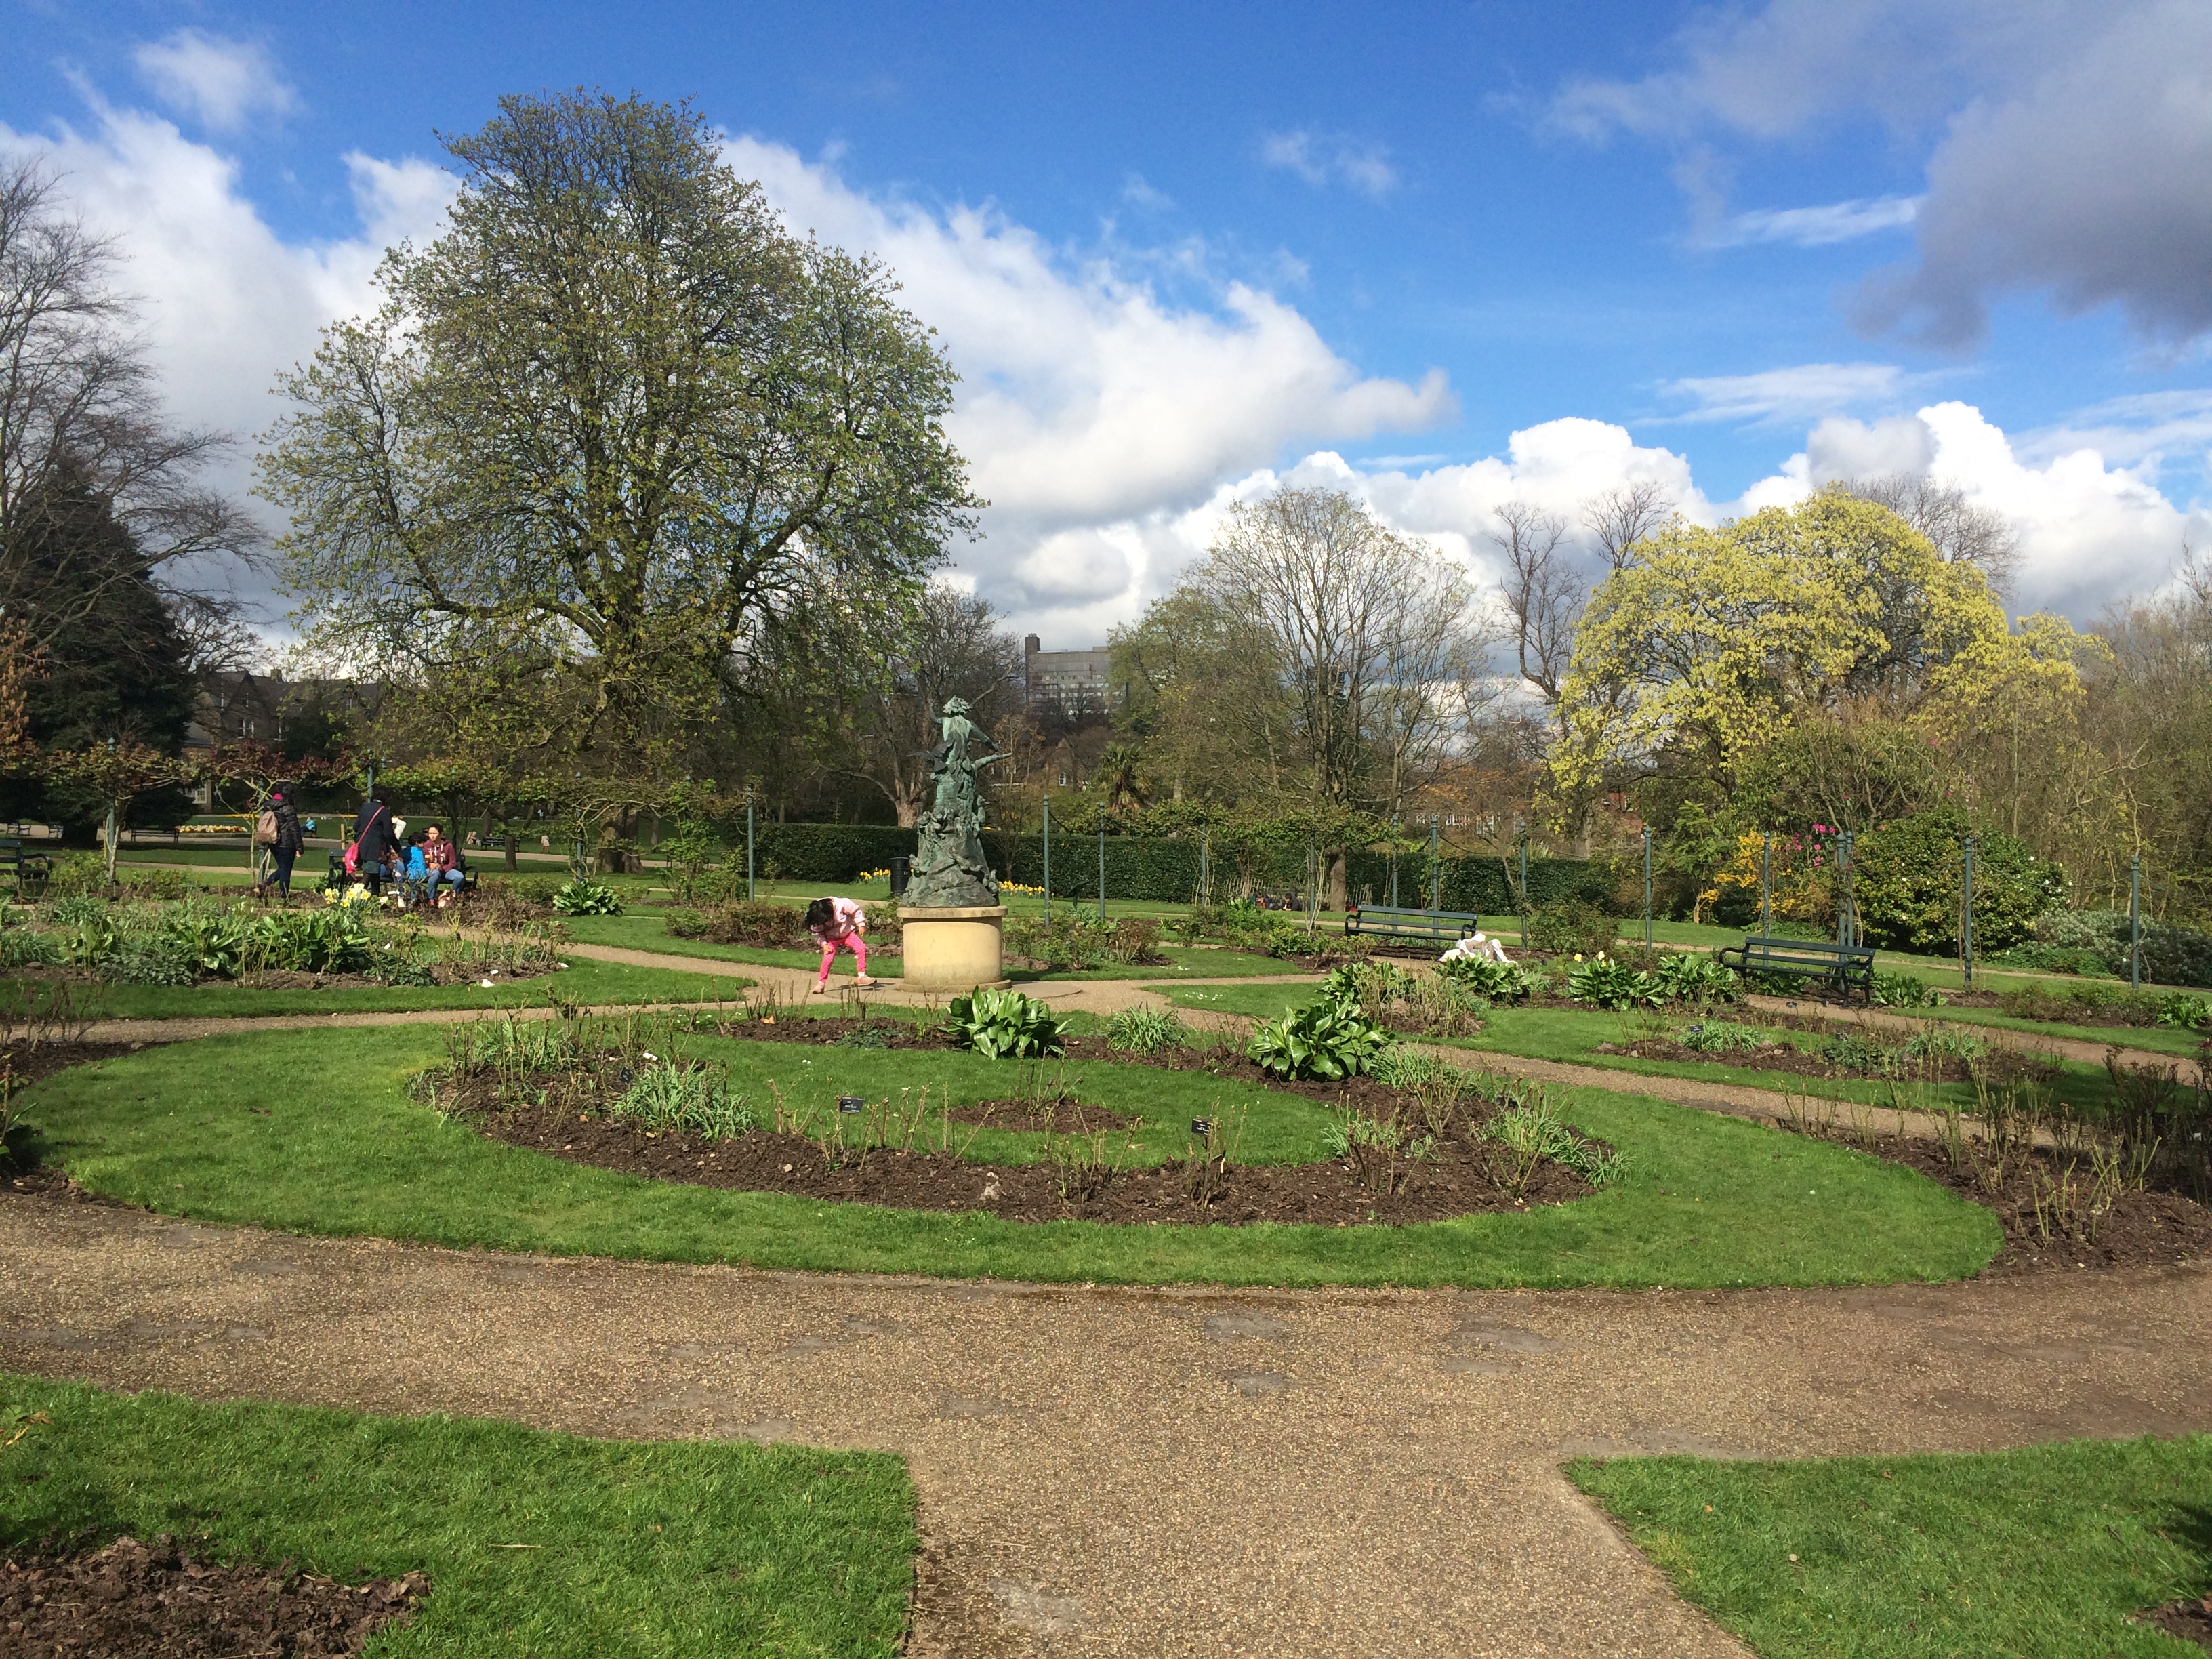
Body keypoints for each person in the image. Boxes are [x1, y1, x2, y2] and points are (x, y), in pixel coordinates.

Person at [805, 896, 878, 994]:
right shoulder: (817, 916)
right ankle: (821, 983)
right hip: (831, 938)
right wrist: (824, 944)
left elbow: (856, 912)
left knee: (861, 948)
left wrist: (861, 924)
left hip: (847, 933)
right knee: (828, 959)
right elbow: (818, 933)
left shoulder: (842, 904)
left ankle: (862, 976)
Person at [255, 789, 305, 903]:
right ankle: (284, 898)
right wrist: (299, 848)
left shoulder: (269, 807)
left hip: (273, 842)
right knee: (286, 871)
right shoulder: (288, 809)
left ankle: (264, 886)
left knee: (283, 869)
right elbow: (295, 830)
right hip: (287, 844)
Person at [349, 794, 398, 893]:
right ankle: (355, 898)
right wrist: (398, 848)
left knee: (374, 873)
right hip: (376, 848)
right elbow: (388, 833)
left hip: (362, 846)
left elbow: (356, 827)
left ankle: (376, 899)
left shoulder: (364, 808)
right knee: (369, 873)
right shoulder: (384, 811)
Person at [422, 822, 465, 907]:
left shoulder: (448, 846)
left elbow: (452, 863)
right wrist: (429, 865)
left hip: (446, 870)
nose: (432, 836)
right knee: (435, 873)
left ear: (441, 834)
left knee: (459, 876)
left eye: (435, 833)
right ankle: (431, 899)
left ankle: (453, 896)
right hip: (431, 870)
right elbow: (424, 860)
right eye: (430, 833)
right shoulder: (427, 845)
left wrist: (441, 867)